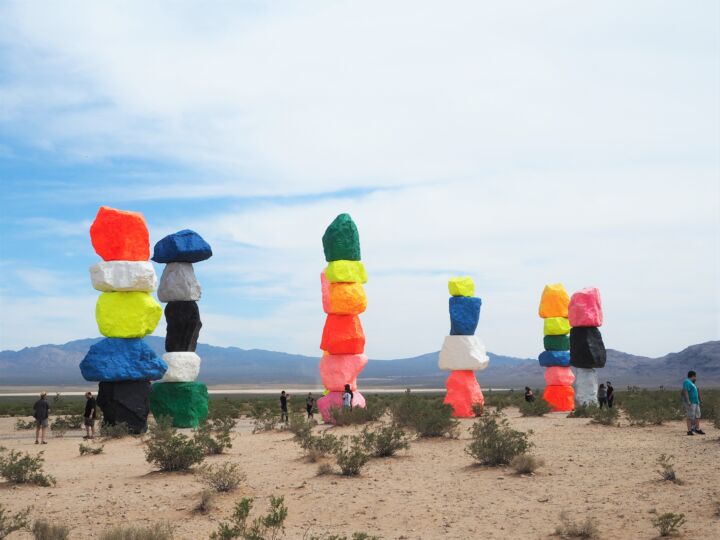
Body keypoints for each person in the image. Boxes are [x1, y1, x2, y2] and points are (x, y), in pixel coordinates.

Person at [682, 370, 704, 435]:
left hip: (696, 402)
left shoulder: (692, 383)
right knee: (690, 416)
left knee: (697, 416)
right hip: (691, 402)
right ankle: (689, 431)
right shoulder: (686, 382)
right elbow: (685, 391)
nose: (696, 378)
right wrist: (688, 401)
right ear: (693, 376)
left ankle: (697, 429)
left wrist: (699, 400)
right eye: (695, 377)